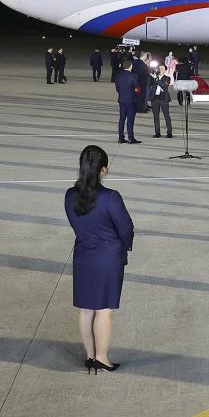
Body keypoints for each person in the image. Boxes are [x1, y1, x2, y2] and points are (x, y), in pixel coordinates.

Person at [64, 145, 134, 373]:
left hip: (83, 255)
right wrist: (123, 246)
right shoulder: (110, 197)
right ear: (102, 170)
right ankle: (102, 357)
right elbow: (126, 229)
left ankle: (91, 356)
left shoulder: (70, 196)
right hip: (107, 258)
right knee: (104, 309)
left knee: (86, 309)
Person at [114, 59, 141, 144]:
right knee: (130, 119)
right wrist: (137, 93)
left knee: (122, 119)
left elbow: (117, 88)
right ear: (130, 66)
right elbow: (137, 89)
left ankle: (120, 137)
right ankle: (130, 137)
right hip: (131, 100)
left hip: (122, 99)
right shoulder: (133, 76)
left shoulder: (118, 76)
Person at [150, 68, 173, 139]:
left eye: (162, 69)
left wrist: (156, 79)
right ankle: (157, 133)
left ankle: (169, 133)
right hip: (155, 98)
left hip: (163, 99)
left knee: (166, 116)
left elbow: (164, 86)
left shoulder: (167, 78)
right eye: (159, 68)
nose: (160, 70)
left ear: (165, 70)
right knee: (156, 116)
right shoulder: (153, 77)